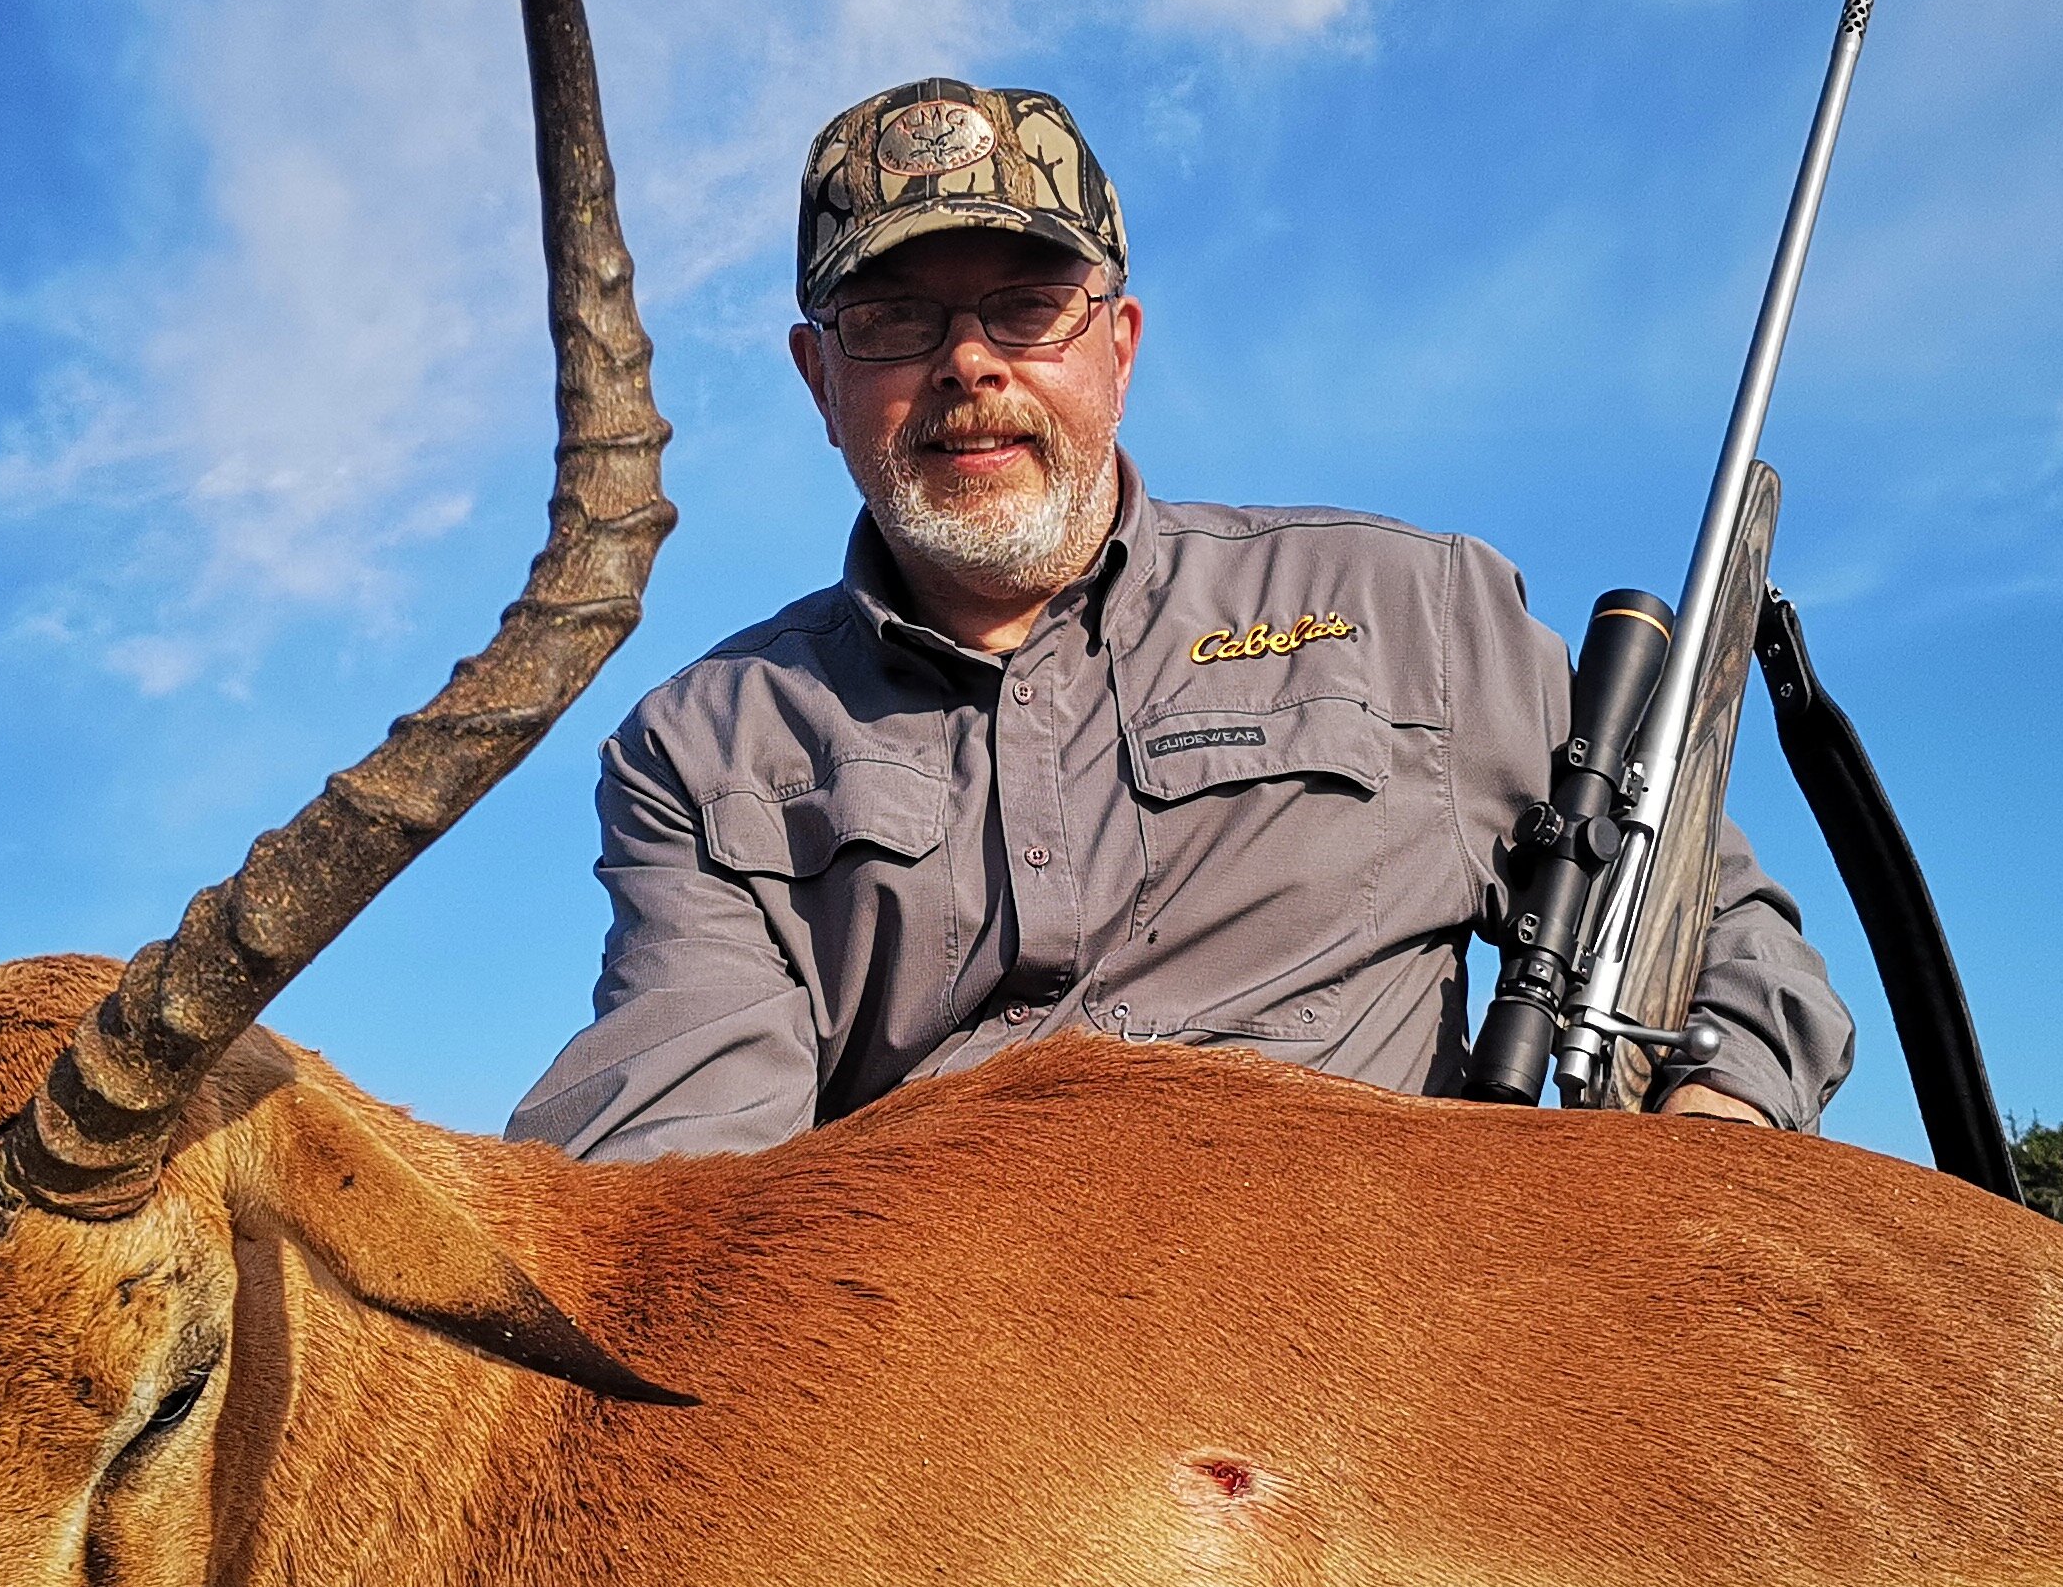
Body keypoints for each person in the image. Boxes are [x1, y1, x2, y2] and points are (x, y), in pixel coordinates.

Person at [507, 77, 1855, 1164]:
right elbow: (680, 1142)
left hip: (1401, 1380)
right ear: (818, 378)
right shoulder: (704, 748)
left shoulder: (1409, 612)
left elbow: (1726, 932)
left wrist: (1709, 1131)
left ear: (1121, 344)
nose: (967, 362)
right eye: (893, 320)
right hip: (961, 1409)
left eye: (1028, 308)